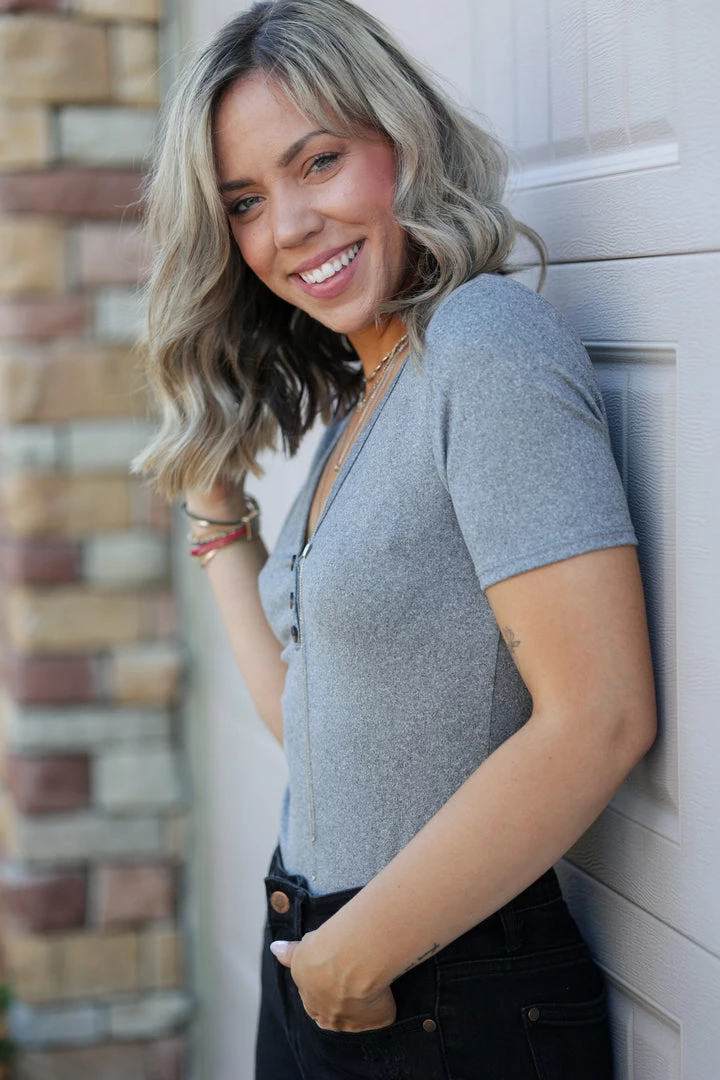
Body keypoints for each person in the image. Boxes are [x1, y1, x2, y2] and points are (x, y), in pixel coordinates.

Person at [134, 1, 657, 1077]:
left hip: (439, 992)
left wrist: (357, 955)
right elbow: (318, 727)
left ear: (402, 139)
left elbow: (601, 715)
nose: (288, 226)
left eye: (318, 161)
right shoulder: (370, 392)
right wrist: (218, 516)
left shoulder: (483, 345)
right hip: (329, 961)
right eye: (244, 202)